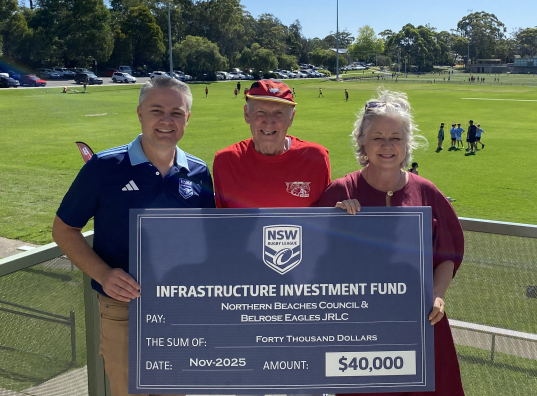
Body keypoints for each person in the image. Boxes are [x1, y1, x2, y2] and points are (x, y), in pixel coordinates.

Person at [52, 76, 214, 396]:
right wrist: (103, 274)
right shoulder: (104, 167)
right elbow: (64, 230)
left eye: (176, 113)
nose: (166, 121)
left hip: (179, 308)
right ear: (140, 113)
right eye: (157, 111)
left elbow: (208, 239)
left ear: (187, 118)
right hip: (124, 309)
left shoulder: (198, 172)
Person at [317, 89, 465, 396]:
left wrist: (437, 295)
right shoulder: (340, 193)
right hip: (361, 334)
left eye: (396, 137)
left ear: (407, 143)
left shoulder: (427, 192)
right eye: (378, 137)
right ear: (362, 141)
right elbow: (314, 261)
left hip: (421, 325)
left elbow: (447, 255)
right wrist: (334, 222)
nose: (387, 145)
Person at [213, 79, 330, 208]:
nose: (269, 121)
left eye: (279, 113)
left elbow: (326, 215)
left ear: (291, 117)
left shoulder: (316, 158)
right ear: (247, 114)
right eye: (261, 112)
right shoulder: (225, 161)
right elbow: (221, 219)